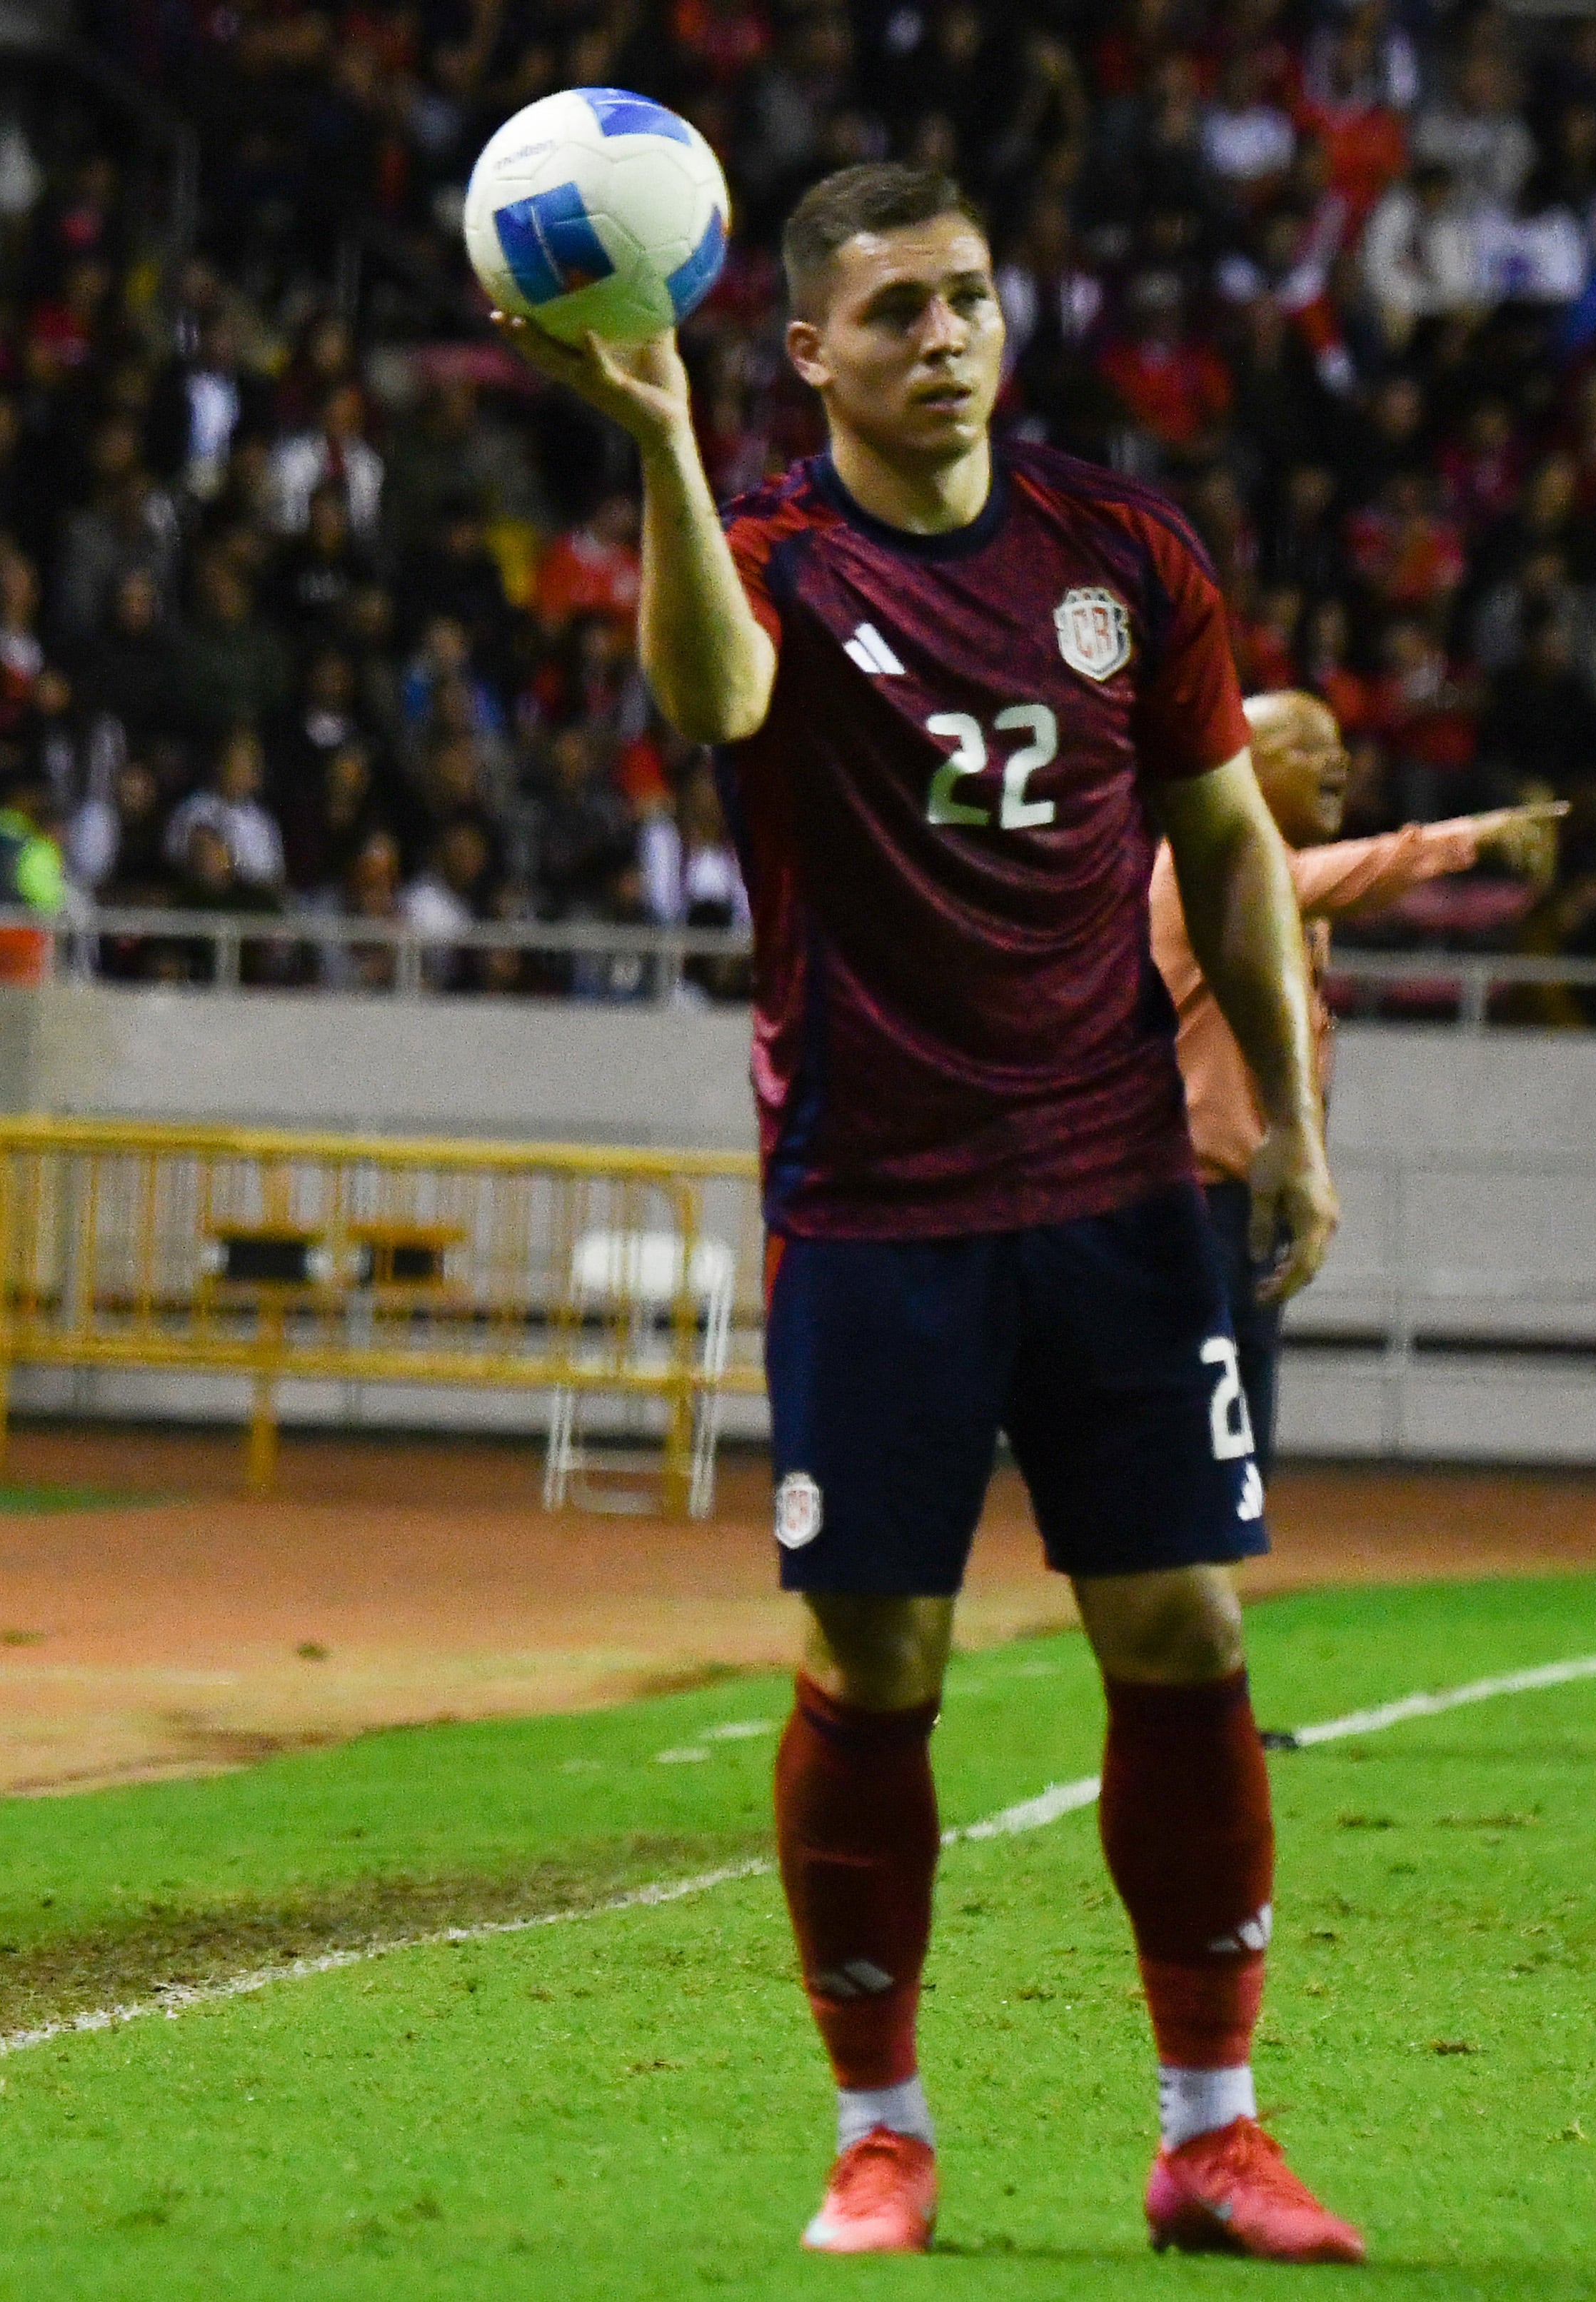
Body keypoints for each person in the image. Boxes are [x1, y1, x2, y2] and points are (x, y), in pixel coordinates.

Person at [503, 162, 1360, 2263]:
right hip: (874, 1193)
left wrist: (1291, 1117)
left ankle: (1210, 2133)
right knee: (873, 1659)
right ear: (809, 351)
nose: (945, 337)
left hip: (1113, 1183)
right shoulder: (771, 555)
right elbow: (708, 702)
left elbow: (1226, 847)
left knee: (1183, 1628)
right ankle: (876, 2131)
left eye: (966, 296)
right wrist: (661, 447)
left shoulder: (1121, 549)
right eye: (894, 312)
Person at [1149, 692, 1563, 1452]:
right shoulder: (1198, 862)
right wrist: (1467, 838)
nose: (1336, 762)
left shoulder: (1275, 882)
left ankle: (1224, 1524)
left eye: (1338, 744)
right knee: (1195, 1408)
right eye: (1305, 747)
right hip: (1188, 1194)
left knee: (1236, 1403)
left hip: (1244, 1190)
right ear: (1238, 769)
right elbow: (1324, 879)